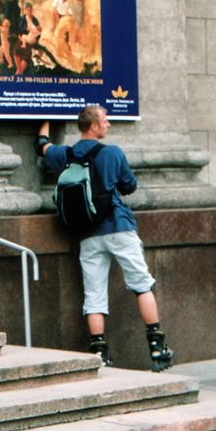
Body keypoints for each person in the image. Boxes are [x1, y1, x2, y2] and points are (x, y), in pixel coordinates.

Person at [35, 106, 173, 372]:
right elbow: (129, 185)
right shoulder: (112, 153)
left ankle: (100, 352)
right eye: (105, 120)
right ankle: (158, 349)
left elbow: (42, 145)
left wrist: (45, 118)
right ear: (94, 126)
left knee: (94, 296)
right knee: (141, 285)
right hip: (119, 227)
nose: (108, 124)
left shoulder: (65, 154)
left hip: (88, 233)